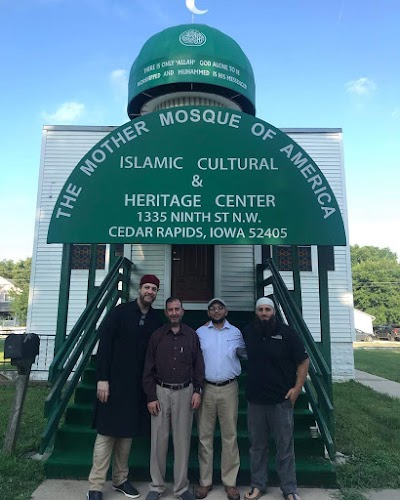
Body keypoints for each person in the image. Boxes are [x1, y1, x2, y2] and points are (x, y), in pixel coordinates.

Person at [87, 275, 163, 500]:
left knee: (127, 436)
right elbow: (105, 344)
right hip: (112, 383)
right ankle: (95, 486)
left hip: (137, 386)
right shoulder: (120, 312)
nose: (150, 291)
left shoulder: (156, 320)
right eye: (147, 287)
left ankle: (120, 479)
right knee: (106, 435)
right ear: (140, 289)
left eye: (154, 289)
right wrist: (102, 378)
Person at [242, 297, 309, 500]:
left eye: (267, 310)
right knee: (257, 447)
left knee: (285, 447)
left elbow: (304, 360)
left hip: (281, 400)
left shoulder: (287, 333)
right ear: (256, 312)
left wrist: (297, 389)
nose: (264, 313)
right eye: (261, 310)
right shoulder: (248, 332)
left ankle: (289, 489)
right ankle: (258, 485)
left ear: (273, 312)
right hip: (255, 400)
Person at [142, 297, 205, 500]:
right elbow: (148, 369)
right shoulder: (157, 336)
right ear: (166, 313)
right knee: (158, 440)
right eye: (170, 310)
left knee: (182, 441)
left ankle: (181, 488)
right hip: (161, 392)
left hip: (185, 392)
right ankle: (157, 486)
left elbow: (198, 366)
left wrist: (198, 390)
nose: (174, 313)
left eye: (177, 309)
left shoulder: (192, 336)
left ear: (182, 311)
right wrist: (151, 396)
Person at [194, 298, 245, 500]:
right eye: (212, 308)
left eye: (220, 308)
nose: (216, 311)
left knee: (229, 436)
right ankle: (205, 482)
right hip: (206, 388)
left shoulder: (236, 333)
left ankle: (230, 483)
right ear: (208, 313)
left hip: (229, 388)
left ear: (226, 311)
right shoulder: (200, 332)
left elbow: (245, 353)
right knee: (204, 437)